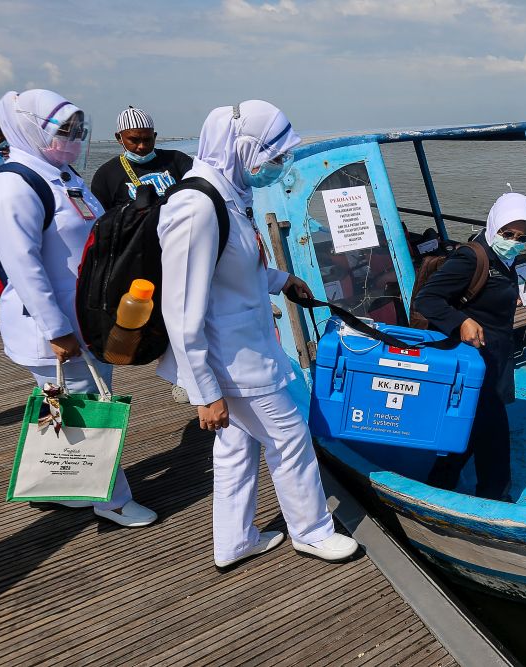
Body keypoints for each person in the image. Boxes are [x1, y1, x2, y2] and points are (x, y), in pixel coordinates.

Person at [157, 101, 359, 570]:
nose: (277, 166)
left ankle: (234, 541)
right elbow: (181, 307)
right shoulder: (196, 205)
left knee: (235, 446)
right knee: (290, 439)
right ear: (241, 147)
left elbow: (233, 273)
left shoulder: (226, 196)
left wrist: (280, 280)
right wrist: (203, 392)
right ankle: (311, 532)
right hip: (232, 360)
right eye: (272, 155)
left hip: (242, 348)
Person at [0, 88, 156, 527]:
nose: (73, 137)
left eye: (78, 129)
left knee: (64, 405)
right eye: (62, 130)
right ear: (30, 130)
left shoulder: (63, 174)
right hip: (55, 328)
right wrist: (57, 330)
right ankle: (111, 499)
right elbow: (24, 267)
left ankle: (60, 485)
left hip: (87, 317)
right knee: (89, 406)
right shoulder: (11, 187)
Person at [413, 192, 526, 501]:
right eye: (507, 233)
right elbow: (426, 299)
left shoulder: (506, 258)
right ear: (493, 224)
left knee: (472, 426)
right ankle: (496, 499)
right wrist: (460, 322)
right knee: (493, 434)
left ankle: (440, 482)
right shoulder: (472, 257)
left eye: (522, 236)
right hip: (474, 359)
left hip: (495, 354)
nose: (513, 240)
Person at [90, 106, 193, 210]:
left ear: (155, 136)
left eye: (147, 140)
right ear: (119, 138)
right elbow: (101, 219)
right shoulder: (106, 175)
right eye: (134, 140)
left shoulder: (178, 160)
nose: (142, 146)